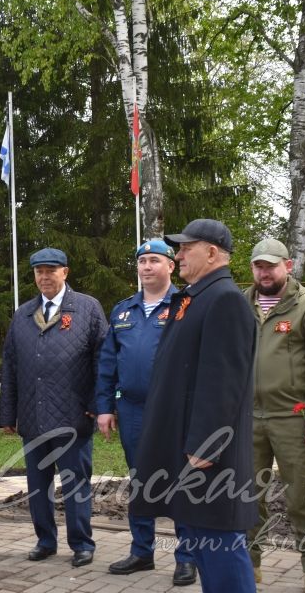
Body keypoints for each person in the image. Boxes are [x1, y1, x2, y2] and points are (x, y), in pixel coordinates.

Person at [131, 219, 258, 593]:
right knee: (203, 541)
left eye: (187, 248)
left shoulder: (226, 300)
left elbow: (224, 381)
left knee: (220, 545)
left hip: (207, 453)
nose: (179, 254)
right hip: (189, 447)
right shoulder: (197, 297)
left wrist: (207, 442)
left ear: (213, 253)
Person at [0, 247, 108, 568]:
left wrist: (95, 403)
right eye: (38, 272)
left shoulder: (87, 309)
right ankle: (45, 540)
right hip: (33, 416)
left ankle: (82, 543)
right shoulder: (22, 314)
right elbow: (11, 366)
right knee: (37, 485)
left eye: (51, 270)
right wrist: (8, 413)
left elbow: (103, 360)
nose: (44, 277)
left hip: (73, 416)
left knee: (76, 483)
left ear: (65, 272)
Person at [96, 240, 196, 585]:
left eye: (154, 260)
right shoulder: (123, 311)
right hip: (133, 409)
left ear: (171, 265)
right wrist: (104, 407)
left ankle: (187, 557)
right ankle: (142, 551)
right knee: (140, 480)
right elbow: (108, 362)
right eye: (141, 261)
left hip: (174, 410)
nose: (147, 267)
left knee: (181, 480)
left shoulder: (187, 305)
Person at [243, 238, 305, 593]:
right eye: (258, 266)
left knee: (302, 497)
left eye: (271, 265)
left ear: (288, 266)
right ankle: (248, 566)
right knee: (247, 496)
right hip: (248, 417)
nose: (264, 272)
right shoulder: (241, 305)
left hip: (293, 418)